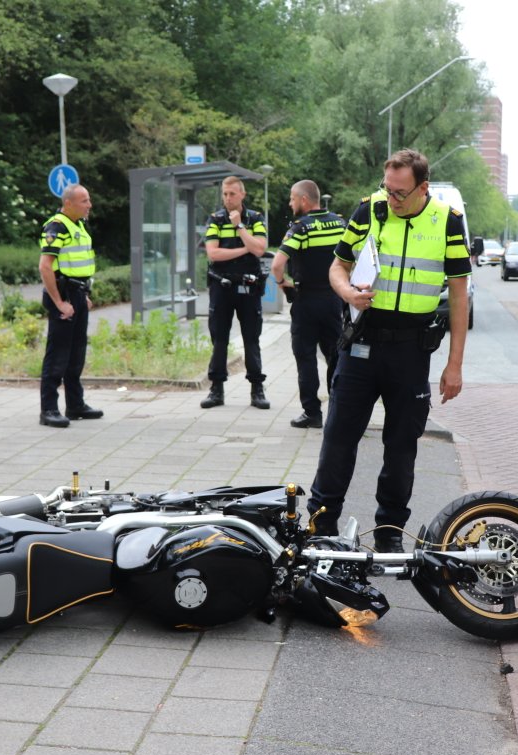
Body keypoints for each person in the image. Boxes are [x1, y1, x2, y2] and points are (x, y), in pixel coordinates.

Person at [306, 149, 470, 552]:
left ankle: (389, 533)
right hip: (362, 343)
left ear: (423, 187)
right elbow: (337, 266)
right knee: (339, 437)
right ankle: (321, 526)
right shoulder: (368, 211)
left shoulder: (447, 221)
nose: (392, 199)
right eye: (388, 189)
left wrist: (455, 365)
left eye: (400, 193)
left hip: (412, 352)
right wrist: (347, 293)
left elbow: (459, 294)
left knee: (401, 447)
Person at [270, 180, 345, 429]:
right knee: (335, 356)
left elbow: (277, 265)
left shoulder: (300, 228)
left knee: (306, 358)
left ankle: (312, 413)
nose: (290, 204)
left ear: (304, 200)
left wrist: (283, 283)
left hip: (306, 302)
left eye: (292, 199)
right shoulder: (340, 222)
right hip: (334, 299)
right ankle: (339, 410)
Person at [37, 183, 104, 428]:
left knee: (76, 354)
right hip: (62, 296)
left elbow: (77, 265)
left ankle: (75, 404)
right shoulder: (56, 226)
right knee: (58, 355)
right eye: (84, 201)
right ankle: (49, 410)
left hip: (76, 294)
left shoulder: (79, 226)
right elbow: (46, 267)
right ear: (68, 203)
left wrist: (82, 294)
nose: (89, 205)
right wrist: (59, 302)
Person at [200, 176, 269, 410]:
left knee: (252, 339)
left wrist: (239, 226)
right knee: (219, 339)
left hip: (249, 288)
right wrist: (244, 249)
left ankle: (257, 390)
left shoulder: (255, 218)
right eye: (225, 194)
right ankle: (216, 390)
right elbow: (213, 254)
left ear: (242, 195)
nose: (227, 198)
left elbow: (260, 249)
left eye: (232, 194)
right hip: (222, 287)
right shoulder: (216, 219)